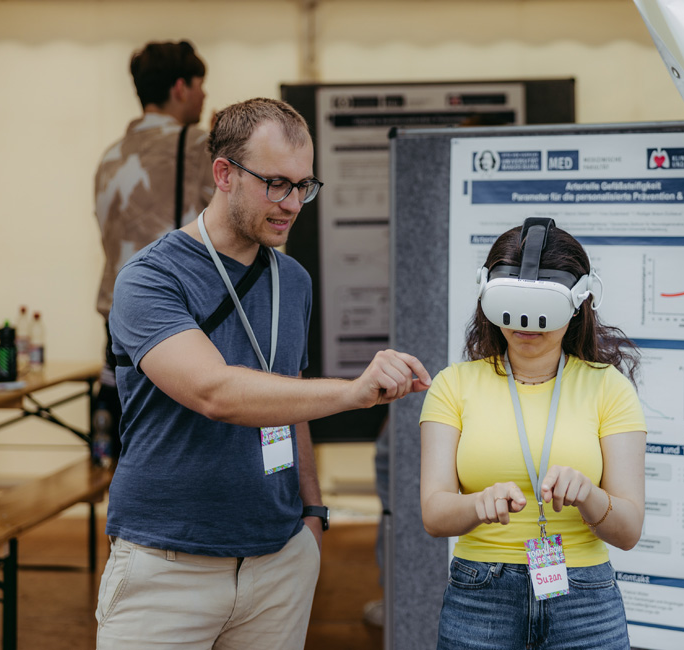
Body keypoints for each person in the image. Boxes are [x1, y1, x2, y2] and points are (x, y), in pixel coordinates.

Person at [95, 97, 431, 649]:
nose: (293, 203)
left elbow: (289, 400)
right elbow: (215, 392)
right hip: (167, 565)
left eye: (304, 185)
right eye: (276, 184)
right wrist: (353, 393)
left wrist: (312, 516)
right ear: (224, 174)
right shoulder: (149, 278)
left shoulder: (293, 280)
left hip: (277, 562)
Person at [419, 219, 646, 650]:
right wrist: (478, 504)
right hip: (480, 596)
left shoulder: (608, 387)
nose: (527, 324)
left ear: (578, 304)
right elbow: (434, 513)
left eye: (544, 308)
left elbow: (628, 530)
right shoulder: (453, 385)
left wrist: (589, 495)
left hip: (585, 601)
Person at [92, 40, 215, 464]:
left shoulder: (109, 156)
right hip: (177, 320)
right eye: (200, 84)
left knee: (129, 443)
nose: (204, 94)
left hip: (117, 316)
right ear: (180, 87)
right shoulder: (198, 146)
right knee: (180, 448)